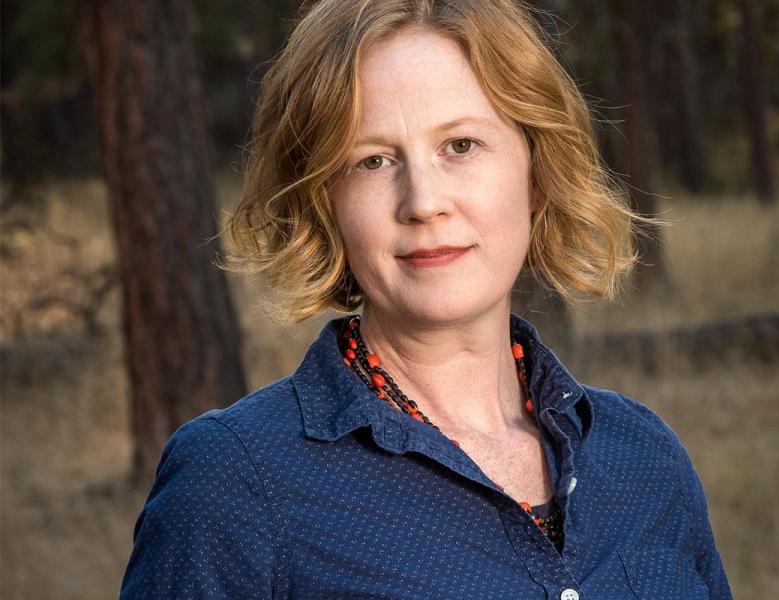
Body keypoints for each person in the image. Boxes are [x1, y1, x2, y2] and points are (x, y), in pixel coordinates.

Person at [119, 1, 733, 598]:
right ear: (324, 202)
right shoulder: (234, 482)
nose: (423, 202)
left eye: (460, 145)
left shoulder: (643, 456)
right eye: (373, 160)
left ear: (537, 171)